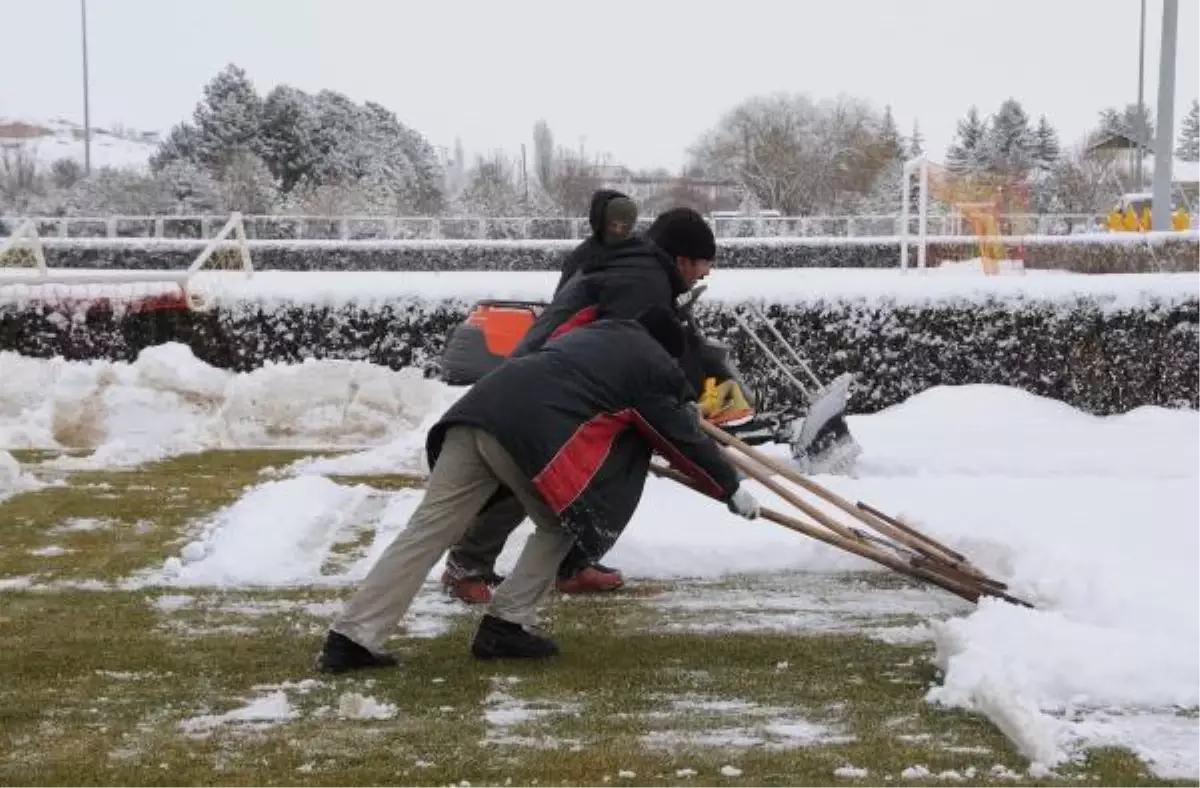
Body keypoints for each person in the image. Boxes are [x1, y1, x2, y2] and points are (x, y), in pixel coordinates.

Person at [315, 306, 760, 673]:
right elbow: (679, 437)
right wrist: (729, 487)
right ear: (670, 350)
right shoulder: (652, 364)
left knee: (427, 529)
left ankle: (351, 637)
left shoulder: (593, 334)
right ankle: (505, 626)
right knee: (563, 525)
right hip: (523, 435)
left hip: (474, 414)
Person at [440, 206, 720, 604]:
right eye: (704, 262)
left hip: (554, 378)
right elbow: (637, 358)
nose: (707, 273)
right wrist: (677, 409)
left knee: (548, 472)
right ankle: (480, 566)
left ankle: (560, 562)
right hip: (553, 385)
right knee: (533, 469)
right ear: (682, 259)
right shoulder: (643, 282)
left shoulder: (640, 269)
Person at [554, 189, 639, 295]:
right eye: (613, 225)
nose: (618, 231)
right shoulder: (582, 258)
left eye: (625, 227)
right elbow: (563, 300)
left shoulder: (639, 254)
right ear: (602, 222)